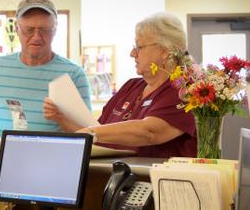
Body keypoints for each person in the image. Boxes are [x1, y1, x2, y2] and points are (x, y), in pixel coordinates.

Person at [44, 12, 197, 157]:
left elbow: (150, 132)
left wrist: (92, 132)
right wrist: (61, 118)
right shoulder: (131, 86)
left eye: (139, 47)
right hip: (111, 179)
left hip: (153, 181)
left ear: (164, 51)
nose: (132, 53)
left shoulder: (182, 90)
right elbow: (100, 135)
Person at [0, 0, 91, 137]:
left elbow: (89, 133)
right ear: (17, 29)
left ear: (54, 30)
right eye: (29, 30)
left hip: (53, 158)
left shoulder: (74, 74)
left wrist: (61, 118)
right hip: (2, 158)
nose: (37, 36)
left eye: (44, 29)